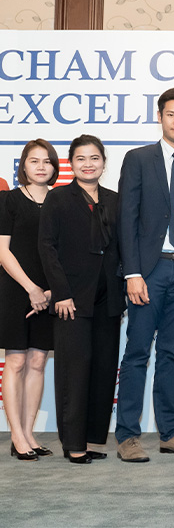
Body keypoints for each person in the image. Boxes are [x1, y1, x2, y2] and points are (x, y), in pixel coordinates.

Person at [115, 87, 174, 462]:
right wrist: (132, 273)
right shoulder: (138, 159)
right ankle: (128, 435)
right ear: (160, 117)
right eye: (171, 114)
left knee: (171, 355)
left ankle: (170, 432)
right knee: (137, 353)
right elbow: (127, 218)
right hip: (149, 272)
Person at [38, 135, 126, 464]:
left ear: (103, 162)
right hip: (71, 299)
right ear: (70, 164)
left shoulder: (115, 200)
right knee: (74, 372)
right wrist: (61, 293)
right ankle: (73, 443)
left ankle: (91, 439)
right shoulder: (58, 198)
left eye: (94, 158)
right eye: (80, 159)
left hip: (109, 299)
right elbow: (47, 248)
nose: (88, 164)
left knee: (103, 370)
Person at [0, 139, 58, 461]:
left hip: (50, 294)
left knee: (37, 362)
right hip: (14, 289)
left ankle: (29, 433)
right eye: (34, 161)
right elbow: (2, 251)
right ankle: (17, 436)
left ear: (54, 167)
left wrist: (49, 292)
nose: (40, 166)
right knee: (17, 362)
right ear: (23, 165)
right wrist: (31, 289)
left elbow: (65, 252)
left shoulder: (62, 201)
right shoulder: (8, 200)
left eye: (46, 161)